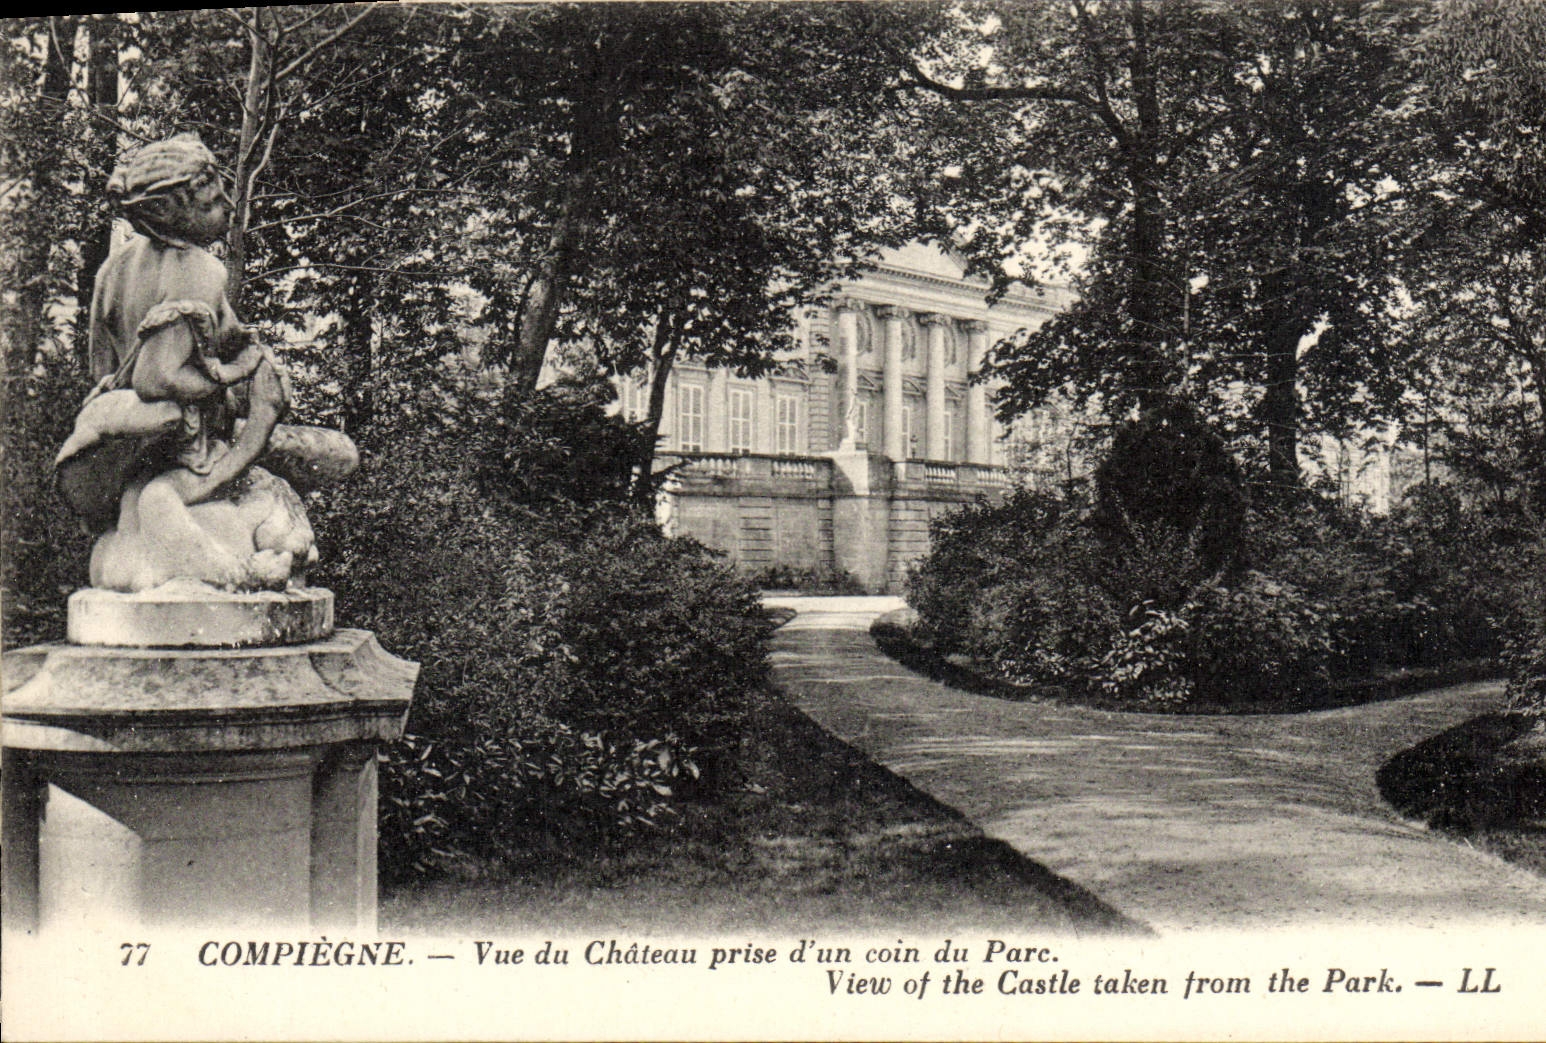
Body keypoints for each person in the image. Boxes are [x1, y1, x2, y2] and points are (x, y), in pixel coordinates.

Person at [56, 133, 344, 591]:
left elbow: (104, 372)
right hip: (194, 457)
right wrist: (231, 381)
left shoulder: (111, 271)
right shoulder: (200, 269)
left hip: (140, 457)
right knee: (333, 458)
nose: (229, 205)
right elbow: (158, 381)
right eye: (212, 202)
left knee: (327, 455)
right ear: (166, 214)